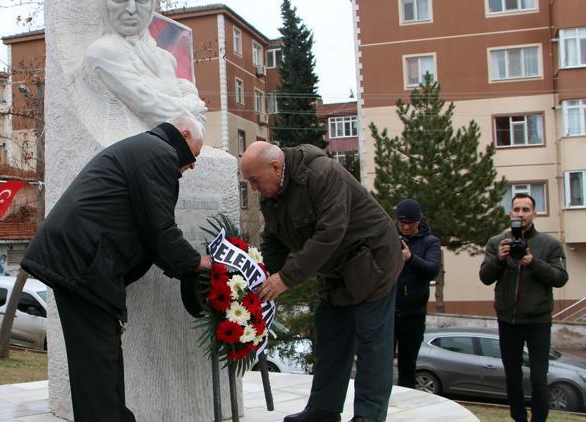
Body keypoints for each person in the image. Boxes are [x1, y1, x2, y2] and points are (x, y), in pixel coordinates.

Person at [20, 115, 213, 422]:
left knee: (98, 361)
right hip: (83, 263)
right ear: (184, 134)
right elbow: (159, 228)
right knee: (99, 363)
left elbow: (146, 229)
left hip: (81, 261)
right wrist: (195, 262)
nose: (191, 166)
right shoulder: (159, 153)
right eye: (193, 156)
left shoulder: (147, 149)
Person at [240, 141, 404, 422]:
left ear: (276, 166)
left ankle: (369, 416)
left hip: (371, 261)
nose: (253, 188)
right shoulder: (272, 192)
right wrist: (261, 280)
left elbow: (331, 232)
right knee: (331, 337)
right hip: (335, 270)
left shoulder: (321, 173)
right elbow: (274, 241)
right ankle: (323, 411)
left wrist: (286, 279)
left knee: (371, 344)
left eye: (255, 180)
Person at [479, 193, 568, 422]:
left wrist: (533, 263)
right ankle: (518, 418)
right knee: (512, 377)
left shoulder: (549, 244)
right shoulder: (497, 242)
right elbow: (485, 277)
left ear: (534, 213)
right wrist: (499, 259)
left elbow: (560, 278)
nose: (521, 214)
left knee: (539, 378)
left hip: (538, 321)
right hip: (508, 321)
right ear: (510, 213)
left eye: (526, 209)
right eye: (516, 209)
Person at [84, 0, 207, 127]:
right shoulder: (103, 51)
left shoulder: (166, 59)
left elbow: (197, 127)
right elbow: (149, 106)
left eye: (141, 1)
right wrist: (192, 105)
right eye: (120, 0)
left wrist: (188, 95)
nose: (131, 9)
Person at [392, 199, 441, 389]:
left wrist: (410, 258)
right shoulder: (390, 237)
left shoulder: (430, 242)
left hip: (414, 313)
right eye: (401, 222)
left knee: (408, 364)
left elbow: (432, 269)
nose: (405, 227)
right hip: (389, 310)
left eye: (410, 223)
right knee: (381, 361)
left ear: (418, 221)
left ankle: (405, 402)